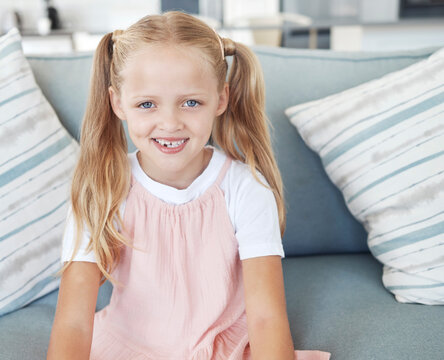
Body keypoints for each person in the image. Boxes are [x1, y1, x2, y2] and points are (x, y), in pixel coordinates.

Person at [47, 11, 330, 360]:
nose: (169, 123)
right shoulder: (101, 188)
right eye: (147, 104)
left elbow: (266, 317)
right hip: (127, 347)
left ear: (220, 99)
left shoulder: (247, 189)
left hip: (226, 348)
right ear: (118, 103)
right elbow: (73, 322)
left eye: (191, 102)